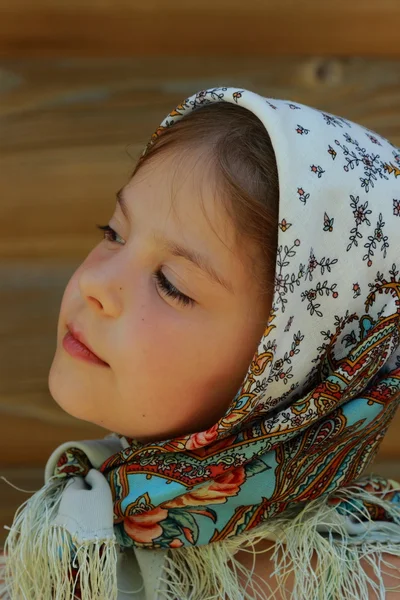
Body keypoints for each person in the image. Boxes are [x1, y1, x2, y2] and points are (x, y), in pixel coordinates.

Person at [1, 86, 400, 599]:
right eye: (114, 233)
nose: (96, 284)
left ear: (291, 375)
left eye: (171, 283)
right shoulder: (57, 547)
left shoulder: (362, 583)